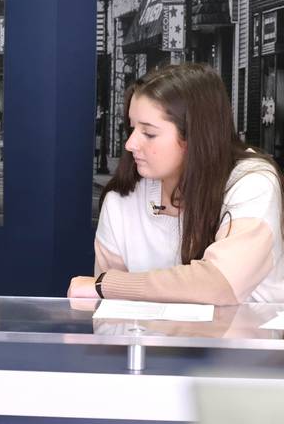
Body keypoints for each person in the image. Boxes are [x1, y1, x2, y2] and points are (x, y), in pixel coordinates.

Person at [68, 63, 284, 304]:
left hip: (243, 340)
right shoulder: (122, 198)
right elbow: (109, 314)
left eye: (149, 133)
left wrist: (106, 284)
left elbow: (221, 283)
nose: (130, 144)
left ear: (195, 136)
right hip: (149, 342)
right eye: (132, 128)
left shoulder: (252, 183)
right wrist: (105, 288)